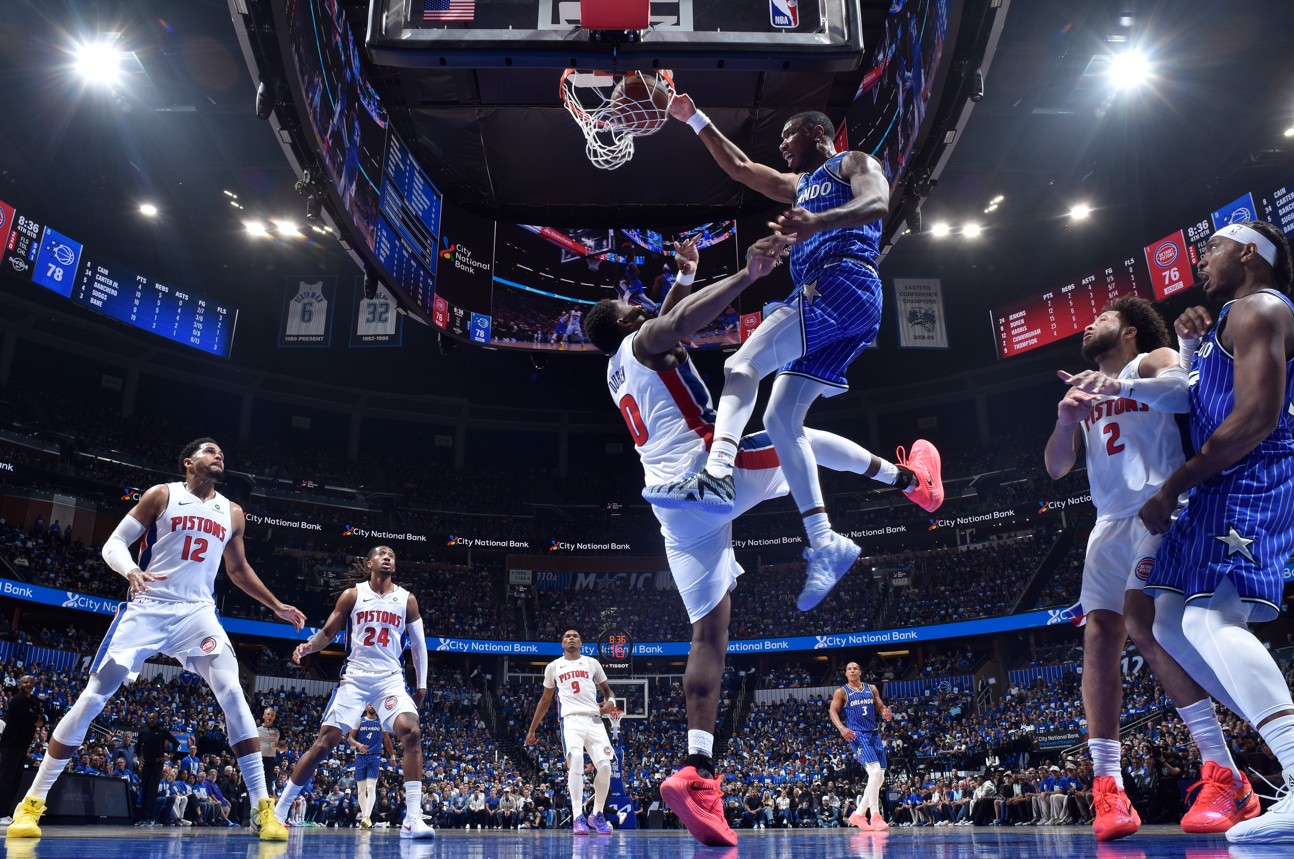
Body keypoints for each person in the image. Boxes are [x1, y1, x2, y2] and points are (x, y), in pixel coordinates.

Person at [581, 234, 938, 846]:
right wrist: (746, 274)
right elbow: (675, 323)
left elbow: (666, 321)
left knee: (709, 633)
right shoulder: (643, 338)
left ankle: (699, 770)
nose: (640, 306)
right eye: (632, 306)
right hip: (707, 475)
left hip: (670, 507)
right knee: (803, 438)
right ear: (625, 323)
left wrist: (684, 277)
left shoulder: (619, 364)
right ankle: (912, 482)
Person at [644, 96, 942, 607]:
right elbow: (740, 168)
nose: (781, 145)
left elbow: (877, 204)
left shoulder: (851, 163)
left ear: (816, 133)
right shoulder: (799, 185)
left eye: (788, 135)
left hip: (841, 281)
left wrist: (817, 224)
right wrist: (694, 117)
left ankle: (717, 474)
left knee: (741, 363)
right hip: (842, 302)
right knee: (782, 420)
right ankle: (827, 540)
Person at [6, 438, 304, 841]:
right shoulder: (162, 495)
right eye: (210, 451)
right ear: (189, 462)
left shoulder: (232, 512)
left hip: (197, 612)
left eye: (221, 452)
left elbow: (237, 569)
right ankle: (31, 804)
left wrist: (275, 604)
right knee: (93, 697)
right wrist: (130, 570)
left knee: (233, 691)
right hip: (149, 605)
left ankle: (261, 809)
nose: (219, 455)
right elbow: (113, 544)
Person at [1046, 295, 1258, 840]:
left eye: (1103, 318)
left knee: (1143, 624)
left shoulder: (1152, 360)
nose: (1090, 323)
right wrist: (1067, 417)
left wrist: (1116, 387)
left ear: (1131, 331)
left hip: (1159, 506)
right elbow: (1056, 467)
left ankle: (1224, 771)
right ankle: (1108, 788)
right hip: (1107, 521)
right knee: (1098, 638)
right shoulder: (1085, 386)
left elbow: (1183, 395)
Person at [1139, 221, 1294, 844]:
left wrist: (1173, 484)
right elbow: (1209, 395)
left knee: (1211, 621)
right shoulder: (1232, 314)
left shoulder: (1259, 306)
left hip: (1253, 475)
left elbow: (1256, 415)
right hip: (1220, 482)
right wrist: (1188, 339)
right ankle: (1268, 759)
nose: (1201, 261)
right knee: (1169, 622)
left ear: (1249, 254)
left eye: (1213, 250)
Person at [271, 545, 434, 840]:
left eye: (392, 555)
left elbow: (419, 645)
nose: (387, 557)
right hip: (355, 678)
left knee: (411, 731)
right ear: (370, 562)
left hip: (389, 680)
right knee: (324, 744)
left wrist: (421, 685)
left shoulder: (407, 600)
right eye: (381, 554)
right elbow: (328, 633)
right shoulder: (353, 595)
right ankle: (279, 812)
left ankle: (412, 818)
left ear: (394, 566)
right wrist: (309, 646)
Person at [525, 629, 618, 836]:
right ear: (562, 643)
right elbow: (545, 700)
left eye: (575, 636)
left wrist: (611, 703)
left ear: (581, 642)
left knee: (605, 767)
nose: (571, 639)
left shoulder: (592, 663)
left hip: (594, 719)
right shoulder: (553, 667)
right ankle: (578, 816)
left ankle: (597, 814)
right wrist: (532, 730)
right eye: (567, 636)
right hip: (571, 719)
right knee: (575, 759)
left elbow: (607, 691)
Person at [831, 662, 893, 830]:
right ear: (846, 673)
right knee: (873, 772)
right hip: (857, 735)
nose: (852, 671)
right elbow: (832, 711)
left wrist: (885, 712)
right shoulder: (842, 691)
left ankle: (858, 814)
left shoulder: (871, 688)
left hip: (874, 733)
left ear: (860, 672)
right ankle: (875, 815)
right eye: (849, 669)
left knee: (879, 778)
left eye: (855, 668)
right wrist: (842, 728)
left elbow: (880, 706)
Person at [0, 676, 43, 825]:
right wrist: (34, 717)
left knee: (15, 781)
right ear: (19, 685)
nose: (28, 685)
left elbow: (41, 720)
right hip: (11, 746)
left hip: (21, 747)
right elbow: (31, 717)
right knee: (6, 779)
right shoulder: (17, 700)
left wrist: (35, 717)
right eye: (25, 682)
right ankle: (1, 813)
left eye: (31, 683)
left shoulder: (33, 701)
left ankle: (5, 812)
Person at [348, 702, 392, 828]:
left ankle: (366, 817)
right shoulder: (359, 720)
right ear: (366, 707)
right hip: (360, 757)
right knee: (361, 790)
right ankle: (365, 817)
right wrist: (358, 745)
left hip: (374, 756)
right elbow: (350, 738)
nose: (371, 706)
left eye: (373, 704)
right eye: (369, 704)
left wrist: (392, 756)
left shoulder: (380, 722)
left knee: (371, 788)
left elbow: (387, 740)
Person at [258, 707, 284, 793]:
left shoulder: (278, 730)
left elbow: (284, 748)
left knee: (268, 783)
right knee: (257, 782)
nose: (270, 716)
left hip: (270, 760)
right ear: (263, 716)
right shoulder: (256, 729)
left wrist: (277, 746)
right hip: (258, 759)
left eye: (272, 715)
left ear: (274, 717)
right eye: (268, 714)